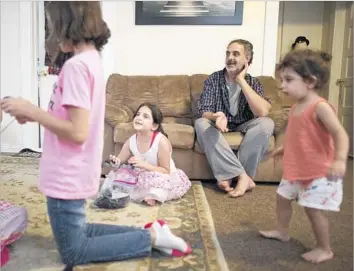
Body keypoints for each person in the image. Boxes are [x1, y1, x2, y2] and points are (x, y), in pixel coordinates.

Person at [1, 1, 191, 267]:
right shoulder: (90, 61)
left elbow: (78, 132)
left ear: (67, 25)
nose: (52, 35)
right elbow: (75, 121)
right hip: (72, 170)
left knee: (74, 251)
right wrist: (34, 114)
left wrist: (32, 111)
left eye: (54, 25)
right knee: (80, 232)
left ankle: (149, 238)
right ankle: (153, 233)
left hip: (65, 175)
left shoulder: (77, 67)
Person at [259, 49, 349, 263]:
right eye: (282, 80)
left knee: (313, 210)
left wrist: (339, 159)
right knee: (282, 198)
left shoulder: (321, 108)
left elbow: (340, 134)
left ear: (310, 81)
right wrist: (284, 148)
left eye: (288, 80)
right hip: (296, 168)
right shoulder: (295, 107)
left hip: (319, 171)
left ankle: (324, 248)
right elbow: (298, 135)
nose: (282, 85)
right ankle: (282, 231)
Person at [194, 39, 274, 198]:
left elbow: (263, 112)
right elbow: (205, 111)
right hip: (219, 125)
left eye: (236, 54)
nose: (230, 57)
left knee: (267, 123)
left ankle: (231, 176)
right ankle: (243, 177)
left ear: (247, 59)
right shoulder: (213, 79)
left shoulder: (253, 82)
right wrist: (216, 116)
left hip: (245, 124)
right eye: (228, 53)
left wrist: (241, 81)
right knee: (200, 123)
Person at [110, 102, 192, 206]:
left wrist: (144, 165)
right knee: (120, 176)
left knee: (156, 186)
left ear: (154, 126)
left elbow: (166, 171)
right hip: (142, 175)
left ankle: (152, 195)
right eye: (138, 114)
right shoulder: (131, 141)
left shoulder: (161, 141)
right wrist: (115, 161)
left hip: (162, 176)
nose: (139, 118)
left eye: (145, 116)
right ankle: (146, 194)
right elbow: (120, 160)